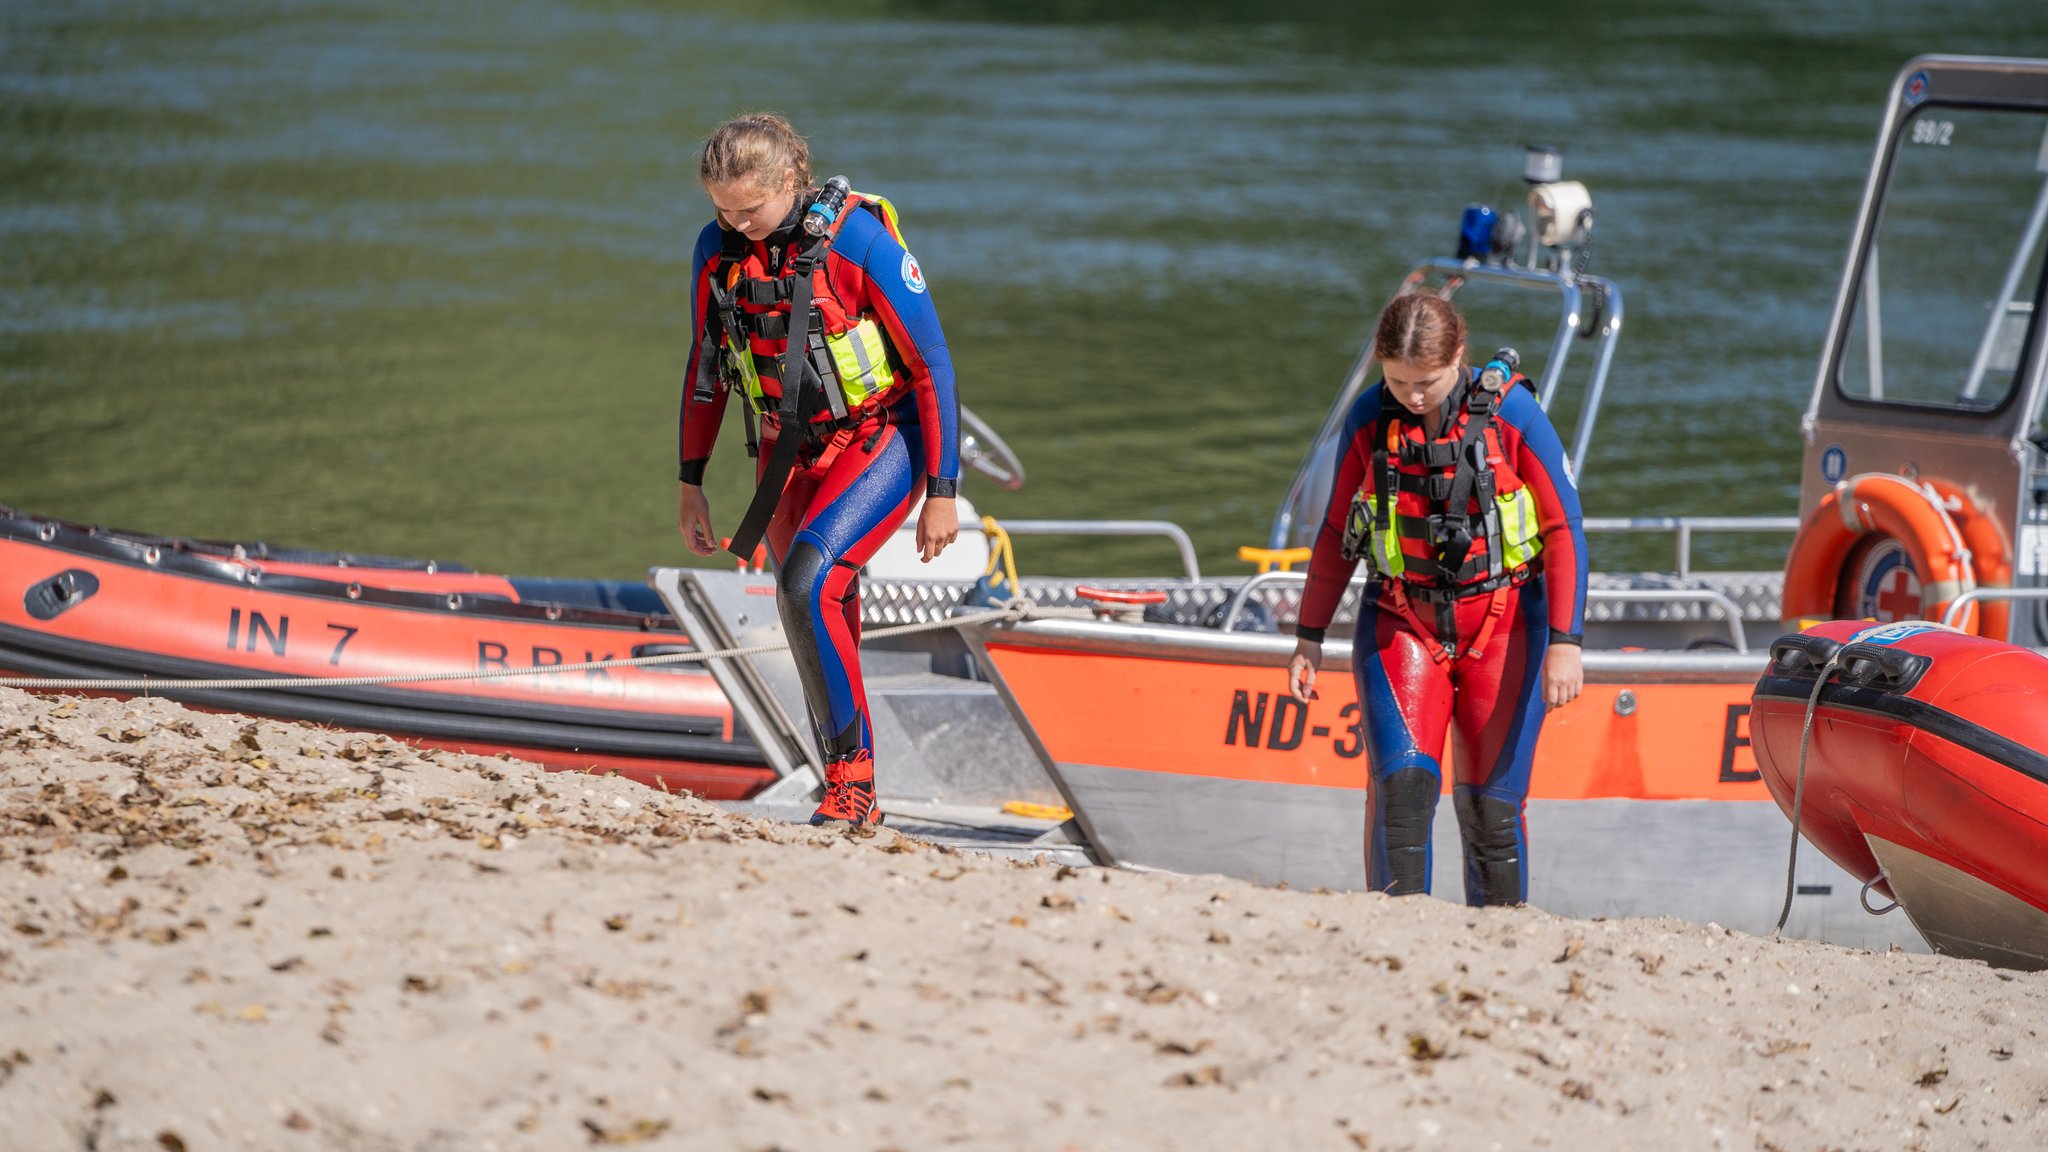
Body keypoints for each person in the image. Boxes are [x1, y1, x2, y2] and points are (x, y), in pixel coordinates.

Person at [677, 113, 961, 826]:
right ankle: (844, 781)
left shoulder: (858, 240)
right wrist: (692, 484)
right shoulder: (715, 252)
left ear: (792, 183)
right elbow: (704, 372)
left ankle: (853, 787)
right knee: (810, 605)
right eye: (721, 209)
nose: (736, 225)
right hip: (785, 451)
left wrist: (943, 492)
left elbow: (933, 368)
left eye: (751, 209)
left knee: (808, 584)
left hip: (881, 437)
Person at [1285, 293, 1585, 905]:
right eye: (1396, 380)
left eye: (1426, 382)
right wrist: (1308, 638)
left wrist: (1566, 643)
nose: (1412, 396)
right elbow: (1335, 531)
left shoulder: (1515, 415)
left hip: (1505, 625)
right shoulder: (1370, 419)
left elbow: (1565, 531)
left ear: (1459, 358)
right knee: (1401, 794)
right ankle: (1396, 945)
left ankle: (1501, 947)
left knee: (1491, 811)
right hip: (1401, 620)